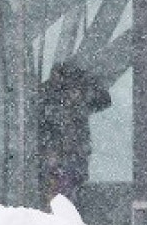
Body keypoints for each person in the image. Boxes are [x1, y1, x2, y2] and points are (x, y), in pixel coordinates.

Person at [37, 62, 112, 207]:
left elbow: (104, 100)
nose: (73, 94)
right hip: (58, 159)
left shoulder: (79, 101)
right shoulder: (48, 98)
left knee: (68, 196)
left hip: (71, 158)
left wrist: (86, 83)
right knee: (61, 197)